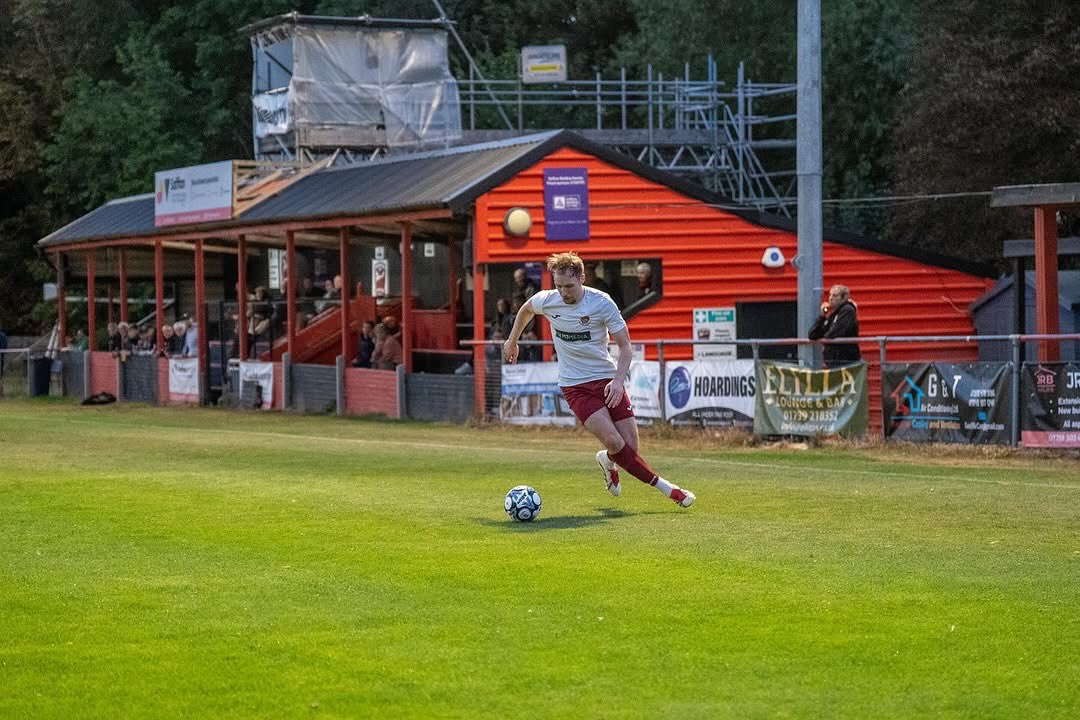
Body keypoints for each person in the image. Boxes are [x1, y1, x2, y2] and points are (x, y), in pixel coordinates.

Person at [503, 251, 695, 508]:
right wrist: (512, 340)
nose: (563, 292)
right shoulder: (547, 300)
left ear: (582, 278)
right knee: (616, 442)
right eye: (558, 286)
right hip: (575, 386)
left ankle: (607, 460)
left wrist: (617, 381)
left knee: (630, 448)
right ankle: (669, 490)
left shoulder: (601, 303)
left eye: (569, 286)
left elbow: (626, 347)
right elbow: (526, 310)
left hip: (606, 379)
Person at [808, 284, 861, 368]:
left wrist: (824, 339)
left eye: (835, 295)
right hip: (833, 362)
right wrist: (822, 316)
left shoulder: (848, 310)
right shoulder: (833, 315)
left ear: (844, 298)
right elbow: (813, 335)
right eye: (830, 295)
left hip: (846, 362)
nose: (830, 298)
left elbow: (834, 333)